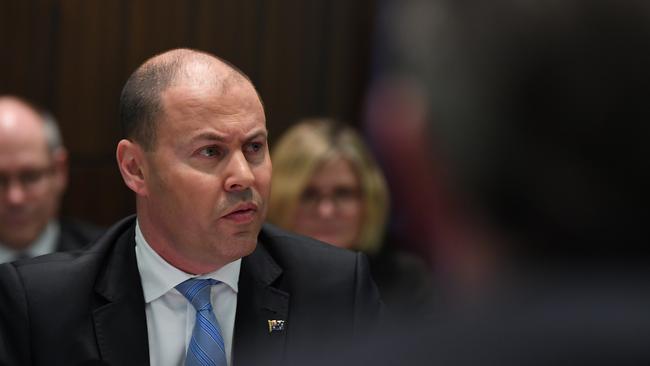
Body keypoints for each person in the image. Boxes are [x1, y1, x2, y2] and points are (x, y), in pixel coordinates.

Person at [0, 49, 381, 366]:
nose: (244, 177)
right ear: (136, 169)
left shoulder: (333, 289)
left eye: (254, 148)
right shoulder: (41, 305)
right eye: (210, 152)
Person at [268, 118, 430, 310]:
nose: (326, 211)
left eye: (343, 193)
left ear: (370, 200)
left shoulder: (405, 281)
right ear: (278, 201)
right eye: (309, 195)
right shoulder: (253, 277)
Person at [0, 96, 103, 263]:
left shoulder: (105, 258)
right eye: (0, 180)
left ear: (59, 171)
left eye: (30, 177)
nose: (15, 198)